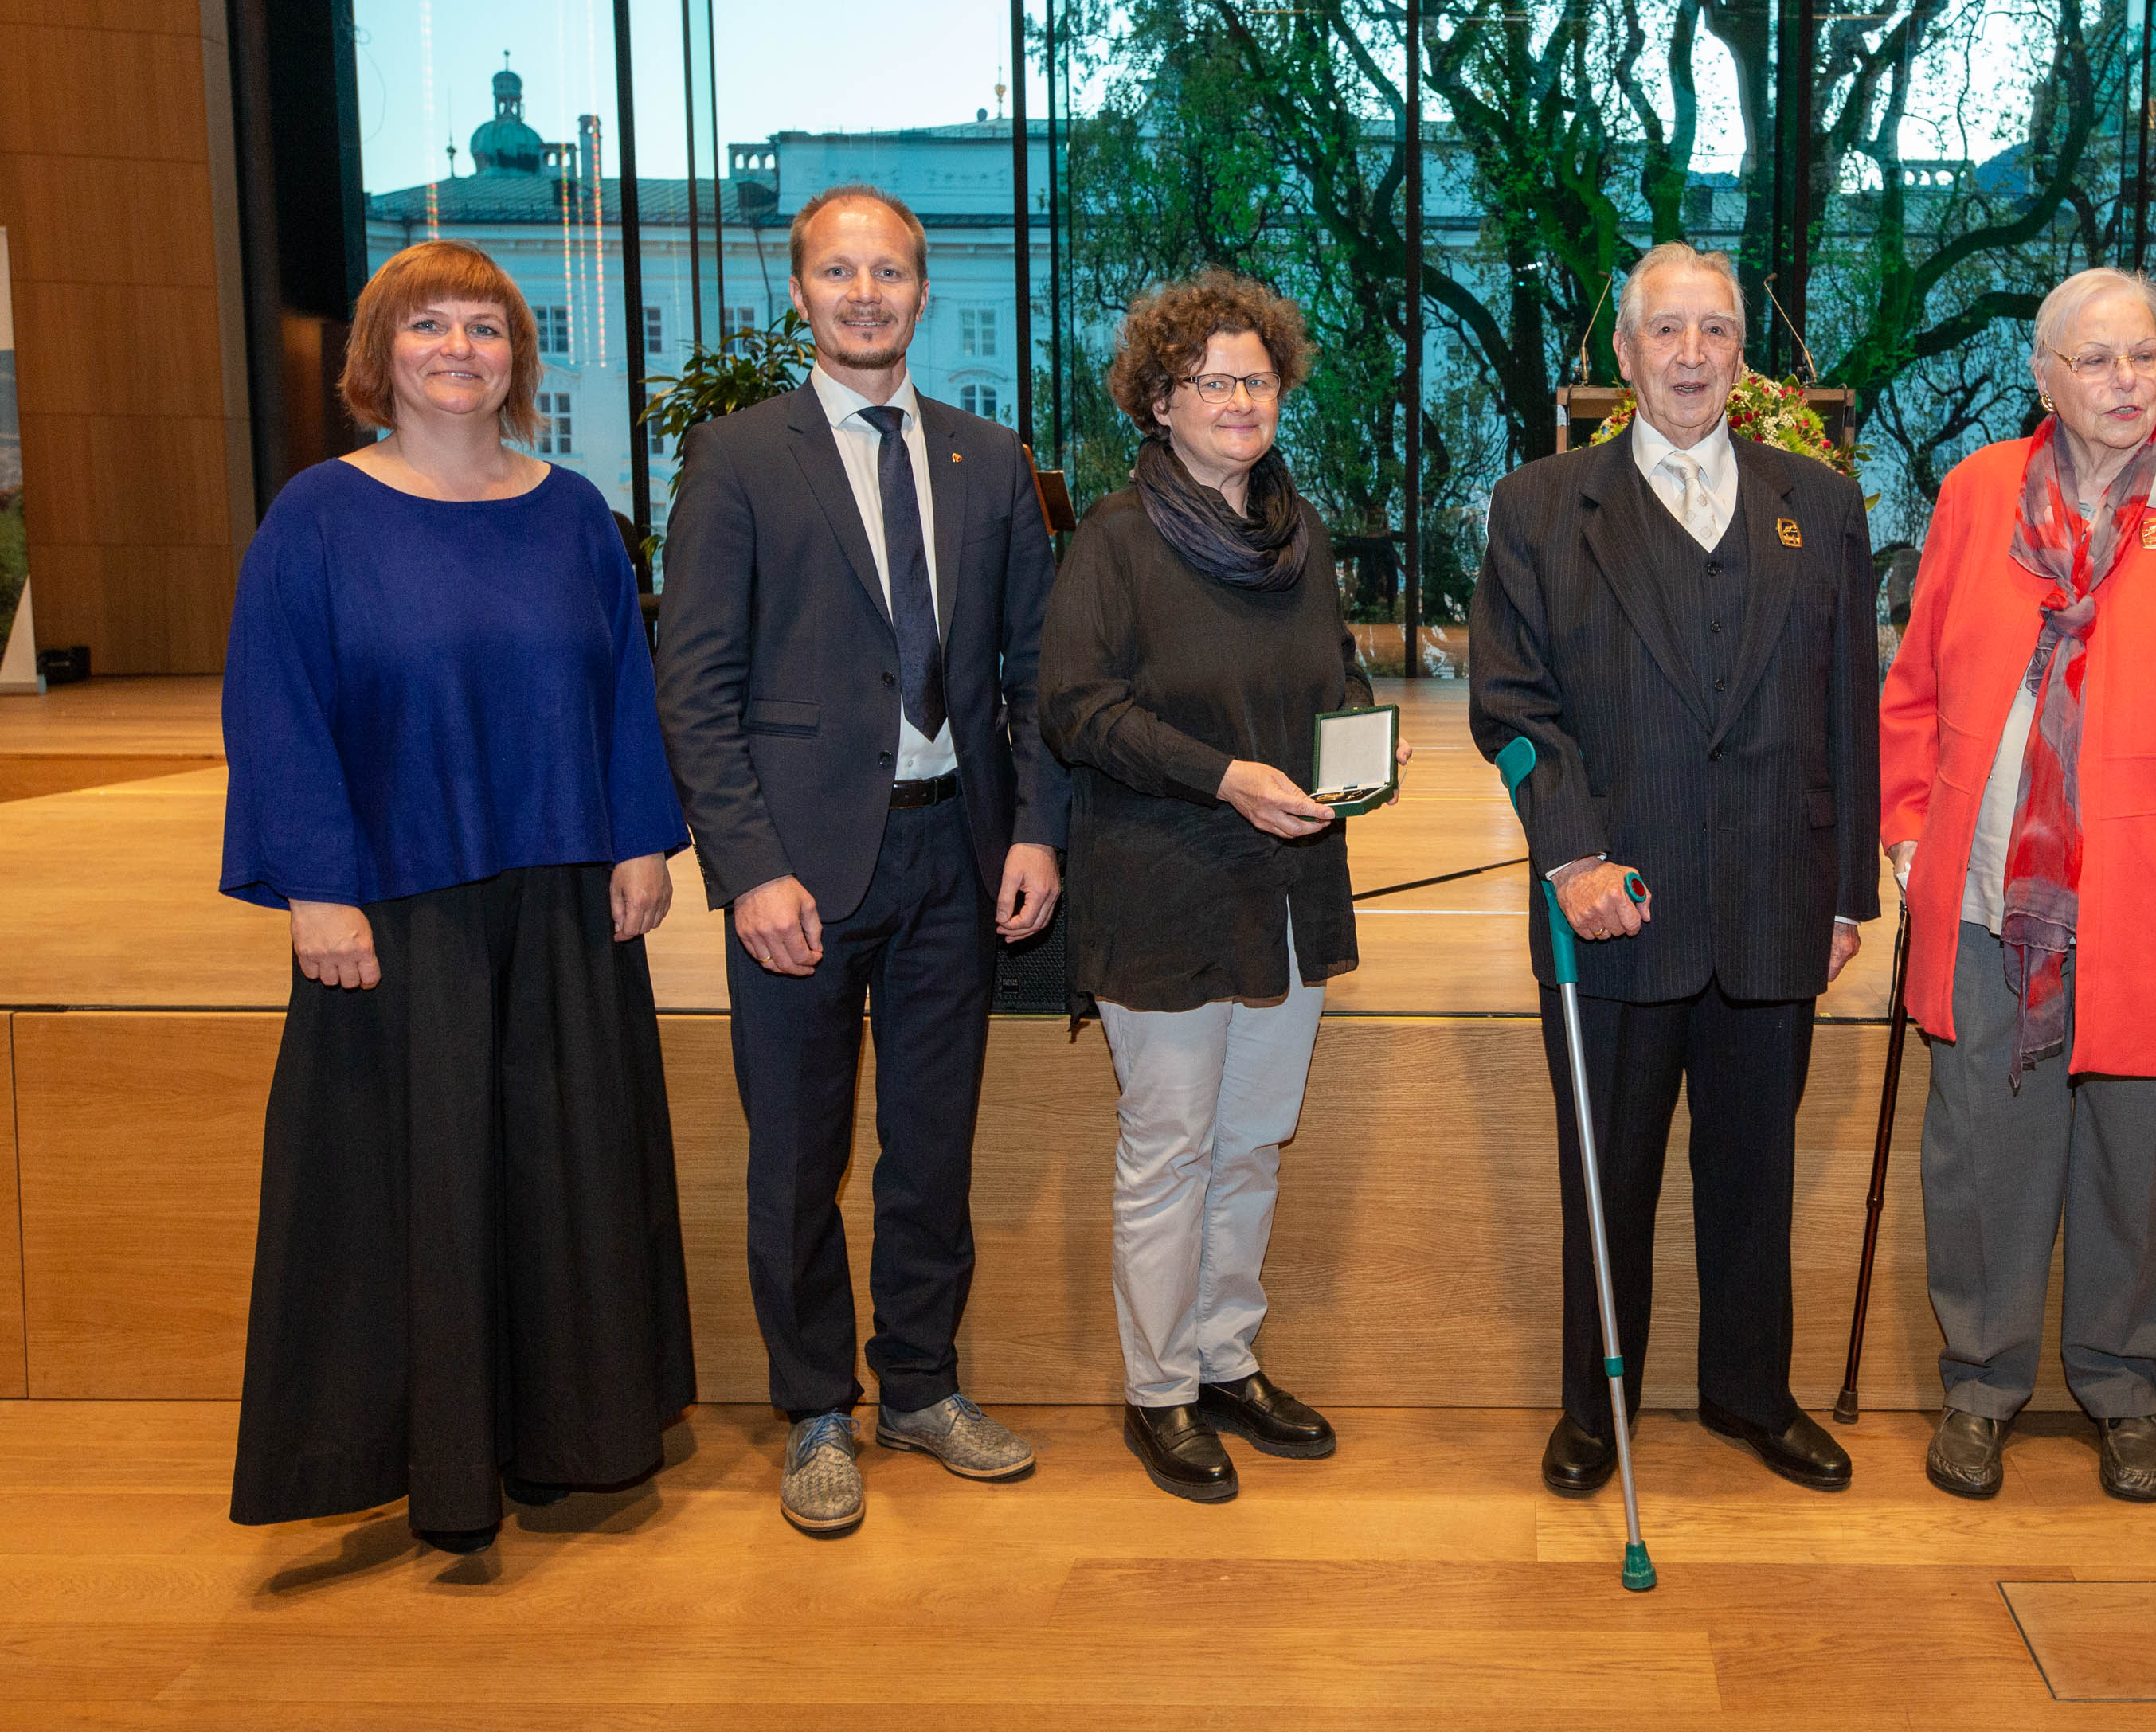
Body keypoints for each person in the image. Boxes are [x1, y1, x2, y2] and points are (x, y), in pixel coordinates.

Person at [221, 238, 695, 1553]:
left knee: (564, 1168)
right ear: (382, 356)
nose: (458, 351)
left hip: (559, 895)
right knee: (413, 1185)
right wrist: (315, 888)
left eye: (484, 330)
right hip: (395, 901)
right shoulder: (316, 516)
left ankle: (569, 1437)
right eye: (427, 327)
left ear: (515, 360)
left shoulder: (571, 514)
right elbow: (277, 710)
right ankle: (433, 1459)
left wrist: (642, 840)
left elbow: (620, 692)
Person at [654, 183, 1070, 1538]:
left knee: (929, 1150)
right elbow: (695, 689)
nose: (865, 293)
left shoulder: (987, 460)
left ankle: (925, 1389)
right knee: (796, 1154)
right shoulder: (737, 458)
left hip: (956, 855)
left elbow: (1035, 678)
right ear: (799, 293)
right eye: (838, 271)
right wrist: (749, 867)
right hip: (799, 876)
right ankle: (816, 1409)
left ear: (921, 289)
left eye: (888, 271)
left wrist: (1036, 832)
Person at [1877, 267, 2156, 1507]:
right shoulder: (1976, 496)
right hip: (1986, 895)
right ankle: (1981, 1388)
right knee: (1982, 1157)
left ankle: (2124, 1387)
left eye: (2145, 358)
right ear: (2045, 377)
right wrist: (1909, 825)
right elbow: (1914, 680)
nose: (2128, 383)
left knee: (2137, 1159)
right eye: (2099, 362)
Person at [1471, 240, 1880, 1496]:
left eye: (1715, 332)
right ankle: (1601, 1409)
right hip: (1614, 909)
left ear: (1739, 351)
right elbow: (1513, 707)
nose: (1693, 356)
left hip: (1773, 902)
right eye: (1668, 333)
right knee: (1614, 1177)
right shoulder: (1539, 508)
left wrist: (1850, 893)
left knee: (1753, 1171)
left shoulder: (1820, 500)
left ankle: (1751, 1394)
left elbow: (1847, 711)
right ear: (1624, 354)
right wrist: (1574, 855)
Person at [1039, 270, 1405, 1503]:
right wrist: (1227, 777)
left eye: (1257, 379)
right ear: (1158, 401)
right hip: (1165, 884)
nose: (1240, 399)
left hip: (1289, 883)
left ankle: (1224, 1360)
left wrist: (1356, 754)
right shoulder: (1115, 540)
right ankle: (1159, 1393)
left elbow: (1335, 678)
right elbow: (1078, 711)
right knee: (1173, 1147)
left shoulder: (1296, 541)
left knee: (1251, 1146)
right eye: (1211, 382)